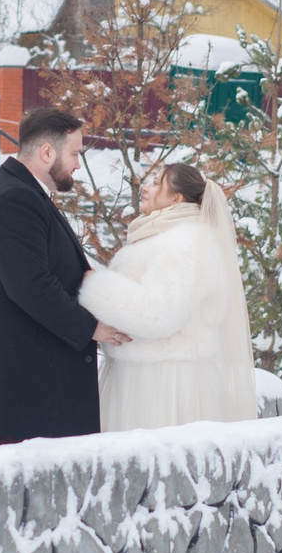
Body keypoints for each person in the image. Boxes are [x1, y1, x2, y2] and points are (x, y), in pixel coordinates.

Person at [0, 107, 129, 448]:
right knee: (7, 498)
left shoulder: (19, 192)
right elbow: (31, 286)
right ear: (47, 152)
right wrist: (92, 328)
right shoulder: (13, 199)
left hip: (14, 394)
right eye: (74, 154)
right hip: (7, 393)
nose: (77, 165)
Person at [77, 161, 260, 431]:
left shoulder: (185, 242)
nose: (145, 187)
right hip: (148, 378)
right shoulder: (166, 236)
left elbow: (157, 314)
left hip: (165, 384)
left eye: (156, 183)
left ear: (176, 198)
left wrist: (95, 286)